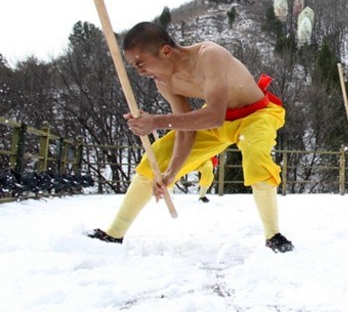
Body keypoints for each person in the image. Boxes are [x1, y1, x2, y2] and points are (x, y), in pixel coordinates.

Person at [87, 21, 294, 252]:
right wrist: (170, 174)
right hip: (217, 121)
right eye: (134, 67)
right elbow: (186, 131)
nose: (139, 71)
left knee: (256, 157)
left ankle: (273, 235)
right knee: (156, 156)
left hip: (254, 114)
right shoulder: (165, 83)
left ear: (165, 51)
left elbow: (213, 115)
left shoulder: (209, 55)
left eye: (140, 63)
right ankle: (114, 233)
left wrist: (155, 121)